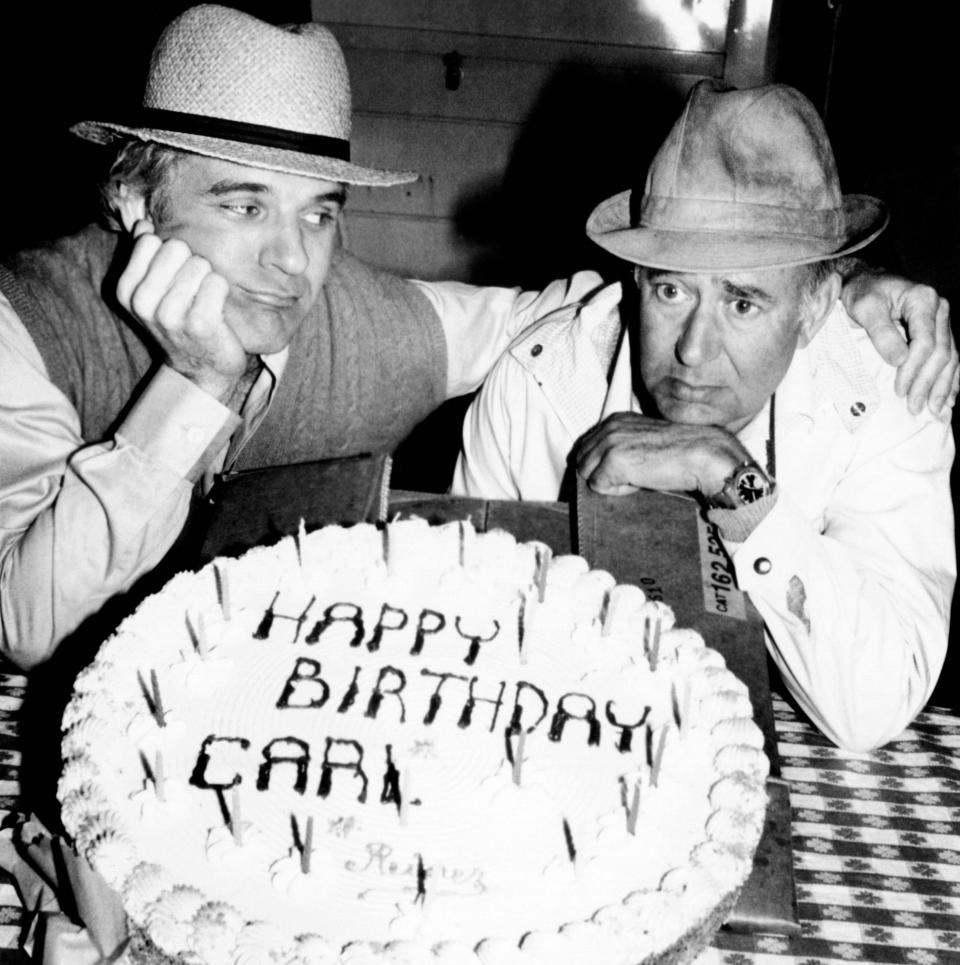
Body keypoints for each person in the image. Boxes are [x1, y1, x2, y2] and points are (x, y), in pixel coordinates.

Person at [0, 7, 952, 672]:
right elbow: (24, 620)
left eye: (321, 213)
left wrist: (832, 288)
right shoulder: (29, 323)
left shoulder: (367, 324)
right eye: (244, 203)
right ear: (132, 198)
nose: (290, 261)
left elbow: (585, 314)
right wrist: (194, 386)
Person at [452, 81, 956, 751]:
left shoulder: (885, 394)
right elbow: (462, 651)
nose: (692, 348)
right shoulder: (542, 386)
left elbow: (871, 707)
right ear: (633, 280)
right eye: (670, 290)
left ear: (813, 308)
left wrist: (734, 483)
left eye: (742, 304)